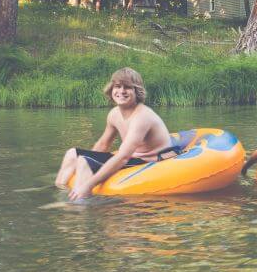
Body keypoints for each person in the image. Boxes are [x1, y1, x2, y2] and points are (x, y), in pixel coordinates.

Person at [55, 67, 175, 201]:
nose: (121, 91)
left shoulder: (142, 116)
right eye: (117, 86)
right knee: (72, 153)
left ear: (137, 91)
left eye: (127, 87)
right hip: (132, 157)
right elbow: (103, 144)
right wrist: (93, 161)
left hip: (149, 159)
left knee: (85, 162)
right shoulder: (114, 114)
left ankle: (76, 205)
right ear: (111, 89)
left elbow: (123, 157)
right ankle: (61, 193)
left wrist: (88, 184)